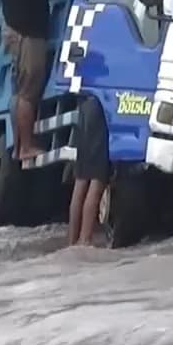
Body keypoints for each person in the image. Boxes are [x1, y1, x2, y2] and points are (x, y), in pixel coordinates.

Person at [0, 0, 80, 160]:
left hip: (20, 32)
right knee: (29, 92)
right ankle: (25, 147)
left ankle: (20, 146)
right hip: (27, 34)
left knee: (23, 92)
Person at [67, 97, 110, 246]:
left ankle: (73, 241)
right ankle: (85, 239)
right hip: (101, 103)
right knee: (97, 179)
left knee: (81, 179)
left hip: (84, 104)